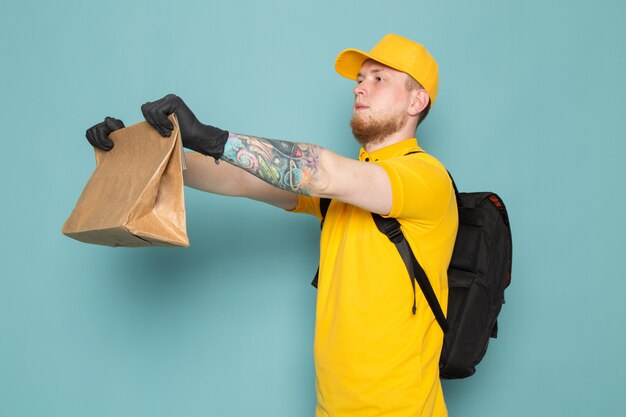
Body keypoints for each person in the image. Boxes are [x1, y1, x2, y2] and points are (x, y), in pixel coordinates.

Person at [86, 33, 458, 417]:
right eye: (360, 78)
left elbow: (320, 172)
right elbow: (241, 179)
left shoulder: (425, 177)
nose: (361, 87)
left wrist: (210, 137)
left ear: (417, 100)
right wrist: (136, 151)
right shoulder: (348, 188)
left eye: (379, 78)